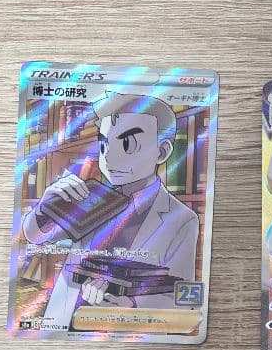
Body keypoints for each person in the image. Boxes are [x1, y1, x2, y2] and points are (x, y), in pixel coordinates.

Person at [22, 92, 199, 328]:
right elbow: (36, 237)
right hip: (65, 322)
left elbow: (183, 296)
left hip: (130, 333)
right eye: (104, 144)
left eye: (128, 144)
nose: (108, 158)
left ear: (162, 152)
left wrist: (132, 305)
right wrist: (45, 208)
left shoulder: (182, 219)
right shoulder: (91, 197)